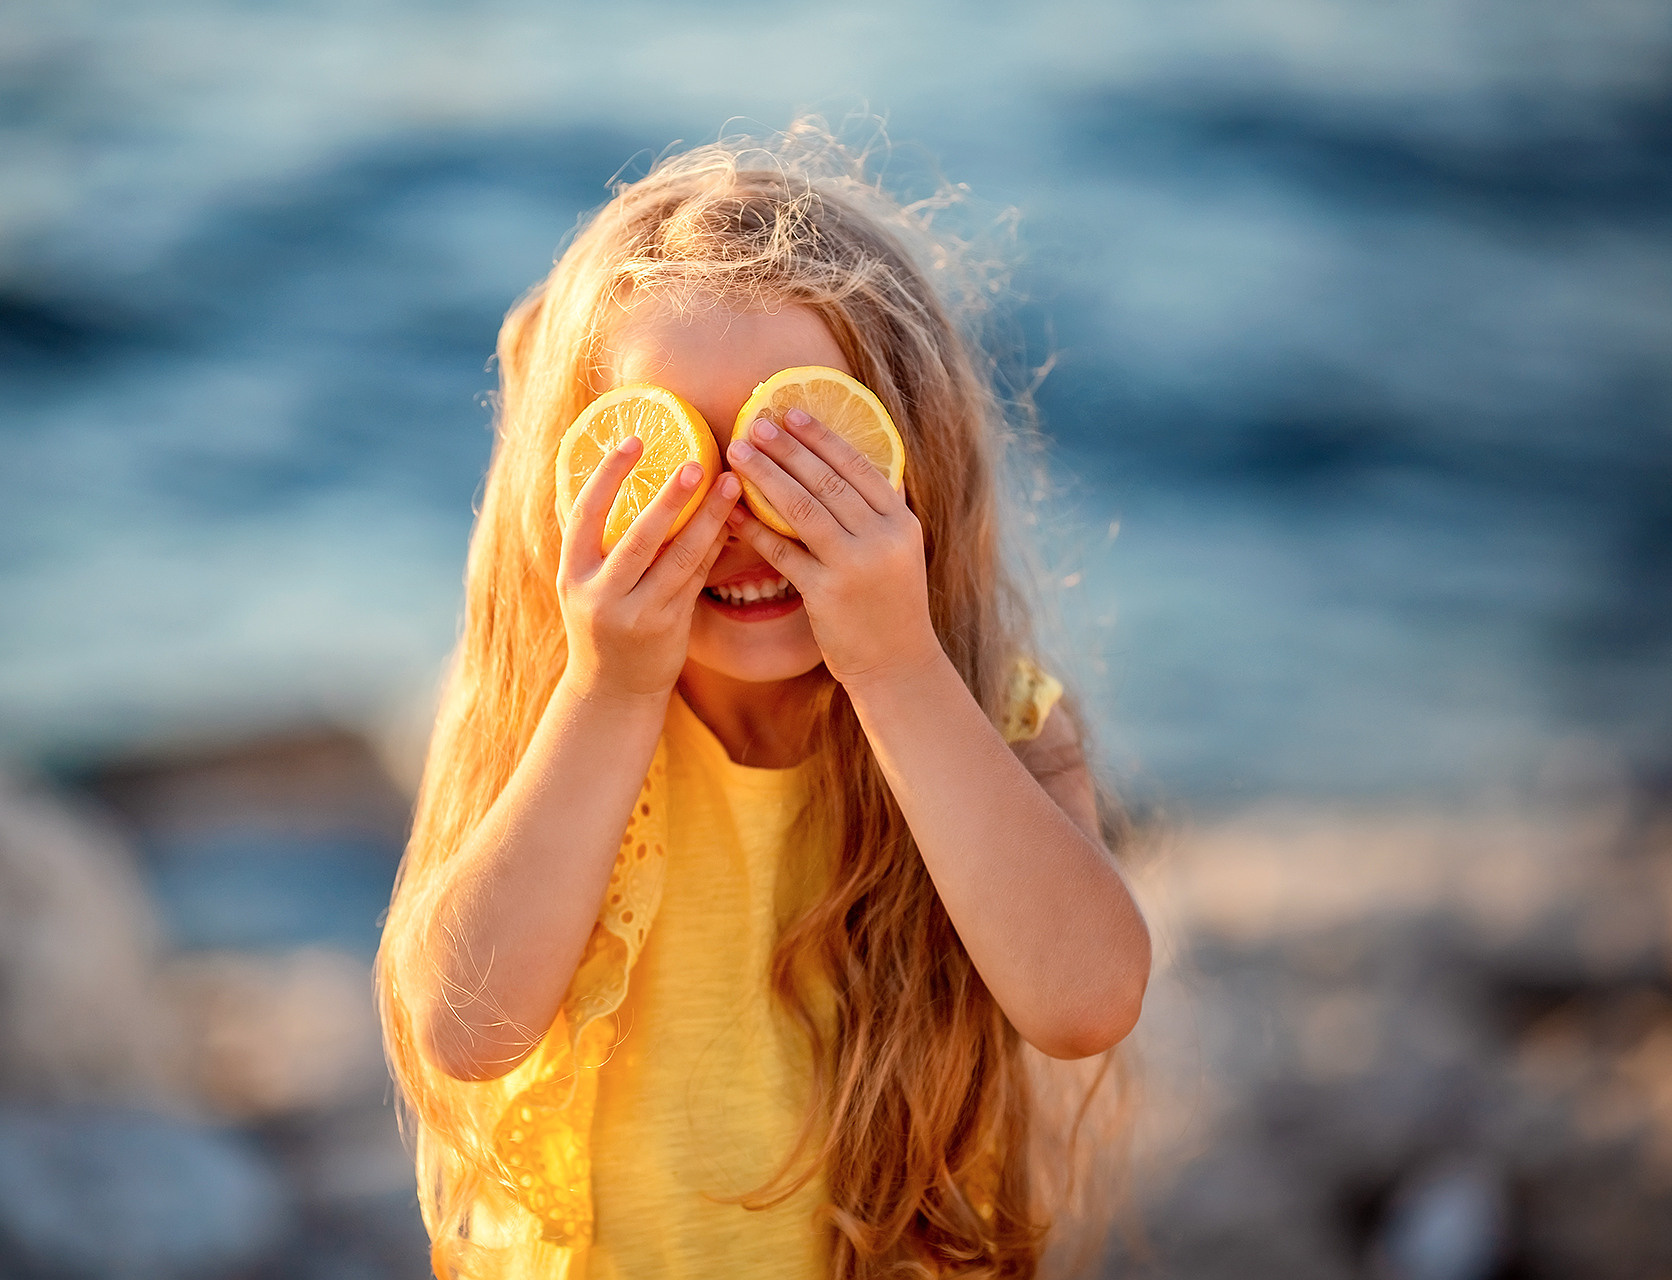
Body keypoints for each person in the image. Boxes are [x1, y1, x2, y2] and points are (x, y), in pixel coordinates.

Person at [376, 125, 1151, 1280]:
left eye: (802, 450)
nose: (737, 511)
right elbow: (462, 1028)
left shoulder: (995, 718)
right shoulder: (553, 711)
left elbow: (1088, 1000)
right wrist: (608, 686)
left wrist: (895, 667)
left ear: (910, 460)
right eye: (668, 457)